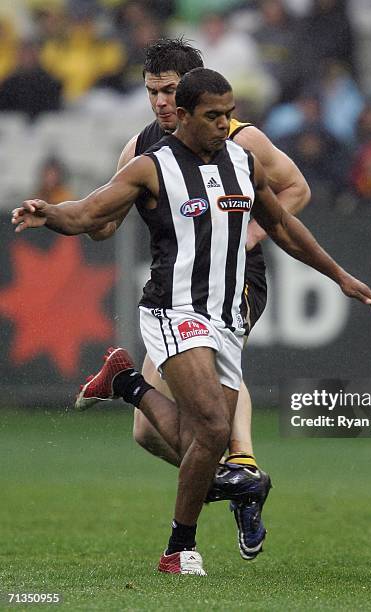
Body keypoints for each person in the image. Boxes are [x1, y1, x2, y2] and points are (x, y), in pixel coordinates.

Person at [12, 68, 371, 575]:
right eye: (214, 116)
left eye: (228, 113)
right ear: (184, 117)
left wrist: (340, 276)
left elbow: (281, 225)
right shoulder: (151, 167)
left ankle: (126, 383)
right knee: (213, 427)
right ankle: (180, 551)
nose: (224, 123)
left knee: (200, 443)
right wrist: (48, 212)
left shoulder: (243, 161)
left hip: (229, 317)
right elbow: (87, 213)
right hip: (175, 309)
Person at [88, 37, 312, 561]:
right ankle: (237, 484)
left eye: (169, 91)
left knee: (212, 380)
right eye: (152, 92)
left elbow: (296, 188)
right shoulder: (140, 148)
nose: (160, 103)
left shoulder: (238, 139)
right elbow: (104, 222)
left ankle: (243, 467)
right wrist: (83, 220)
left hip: (236, 281)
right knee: (147, 432)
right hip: (181, 285)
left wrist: (250, 232)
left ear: (190, 92)